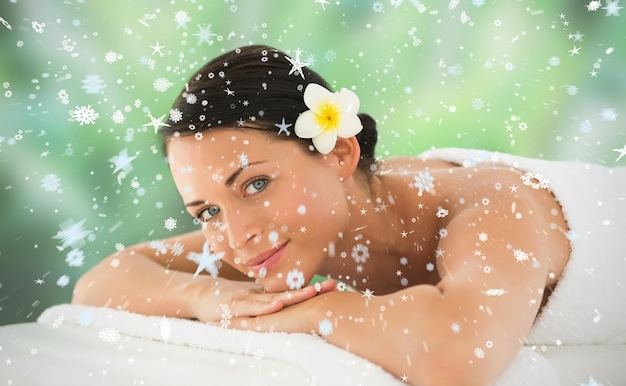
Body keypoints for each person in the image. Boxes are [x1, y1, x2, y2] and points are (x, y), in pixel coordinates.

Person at [72, 44, 626, 386]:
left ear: (339, 153)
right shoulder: (284, 236)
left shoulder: (490, 206)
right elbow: (101, 282)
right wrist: (207, 298)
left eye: (256, 184)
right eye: (209, 209)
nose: (235, 237)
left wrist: (314, 311)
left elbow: (461, 355)